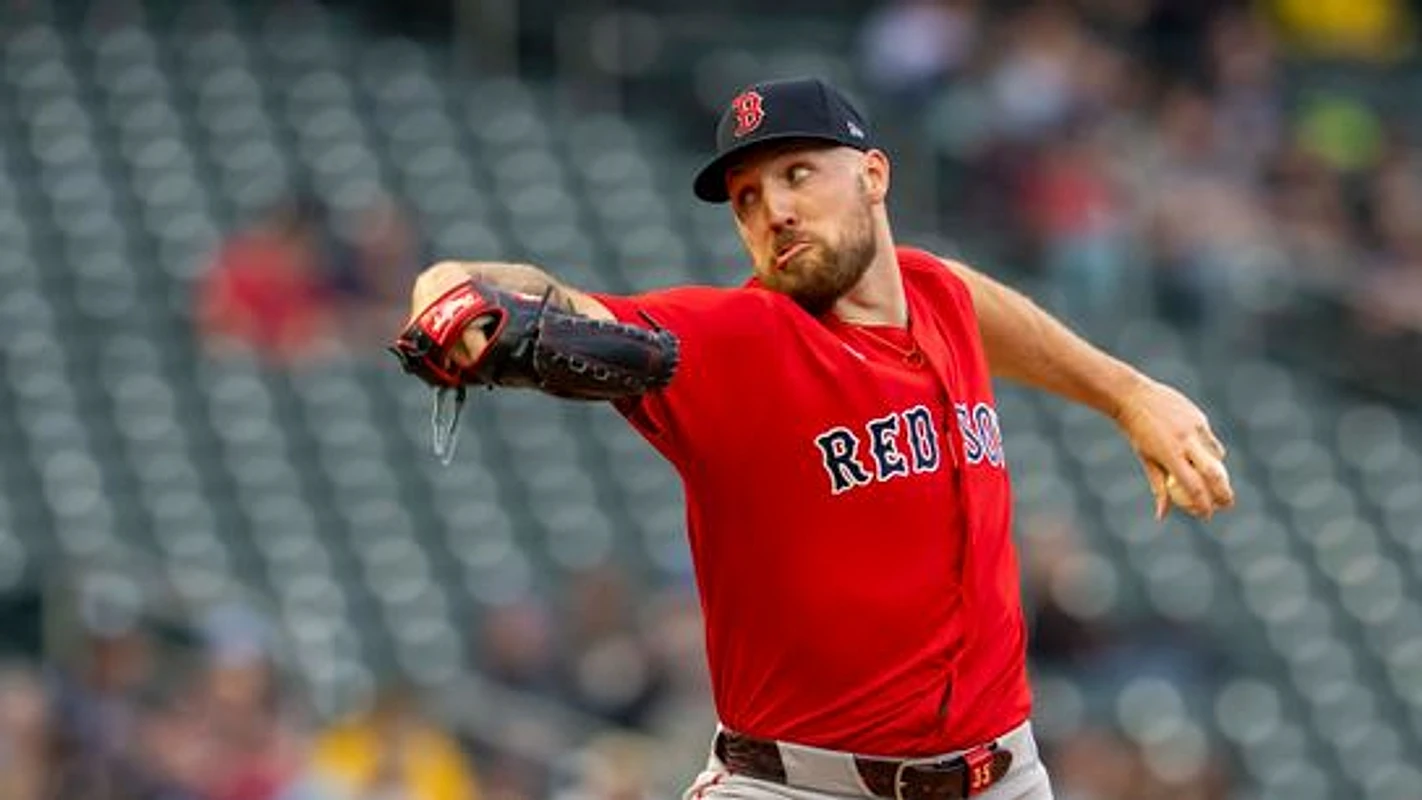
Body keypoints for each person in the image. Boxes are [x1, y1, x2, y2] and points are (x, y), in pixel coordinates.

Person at [402, 77, 1235, 800]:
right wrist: (446, 290)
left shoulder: (935, 294)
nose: (775, 211)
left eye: (797, 174)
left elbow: (968, 300)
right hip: (800, 785)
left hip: (1003, 777)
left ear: (874, 175)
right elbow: (551, 301)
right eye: (747, 199)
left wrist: (1128, 395)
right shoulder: (734, 340)